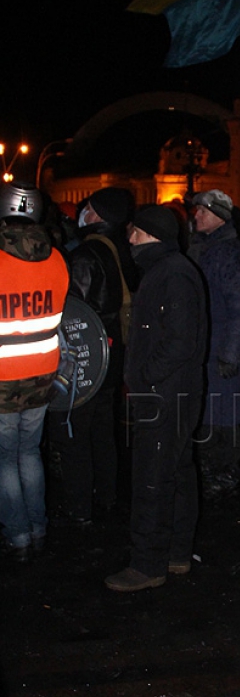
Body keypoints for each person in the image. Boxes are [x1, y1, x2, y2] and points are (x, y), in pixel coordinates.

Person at [105, 204, 207, 592]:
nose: (129, 239)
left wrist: (144, 378)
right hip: (172, 392)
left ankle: (147, 565)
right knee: (177, 472)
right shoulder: (167, 270)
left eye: (135, 233)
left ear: (151, 235)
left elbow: (178, 342)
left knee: (152, 478)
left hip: (165, 395)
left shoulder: (172, 273)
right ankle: (177, 553)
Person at [46, 186, 136, 523]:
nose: (82, 212)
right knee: (103, 430)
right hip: (113, 353)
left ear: (96, 215)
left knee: (75, 434)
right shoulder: (121, 247)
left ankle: (80, 507)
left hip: (89, 356)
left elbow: (75, 313)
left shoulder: (86, 254)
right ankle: (107, 496)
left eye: (88, 208)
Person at [0, 183, 69, 561]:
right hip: (43, 373)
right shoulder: (57, 259)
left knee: (4, 459)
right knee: (29, 453)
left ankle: (18, 535)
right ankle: (38, 528)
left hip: (2, 380)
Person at [189, 189, 240, 500]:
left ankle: (224, 474)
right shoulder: (212, 249)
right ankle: (211, 470)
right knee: (211, 414)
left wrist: (230, 354)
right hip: (212, 349)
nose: (196, 216)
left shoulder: (231, 253)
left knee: (223, 416)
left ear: (218, 215)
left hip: (222, 351)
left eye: (202, 211)